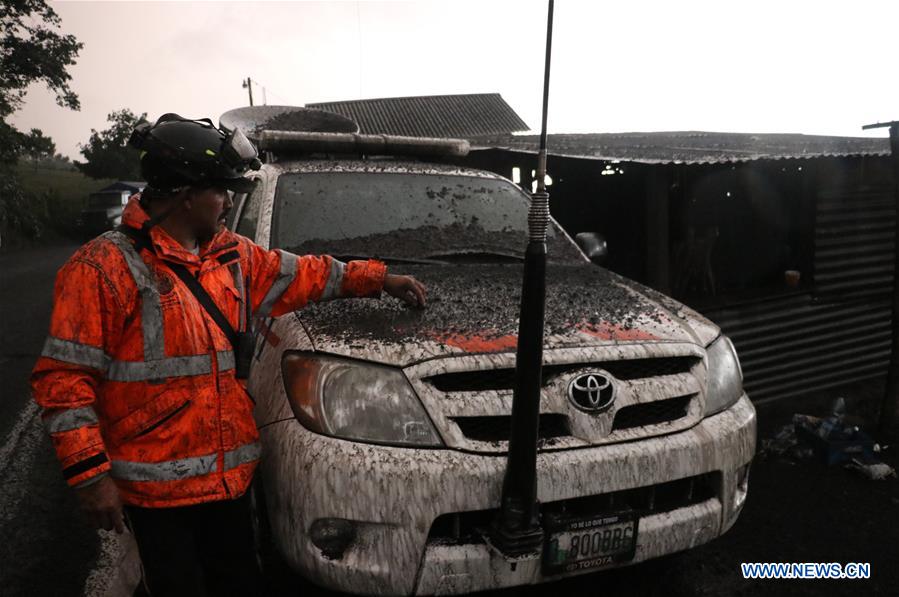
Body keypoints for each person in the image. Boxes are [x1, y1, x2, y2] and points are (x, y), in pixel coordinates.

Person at [30, 114, 427, 596]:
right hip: (158, 497)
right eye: (222, 191)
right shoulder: (101, 268)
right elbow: (64, 382)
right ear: (187, 194)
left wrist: (379, 279)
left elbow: (308, 274)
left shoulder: (231, 256)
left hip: (229, 484)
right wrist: (91, 477)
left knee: (240, 582)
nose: (229, 203)